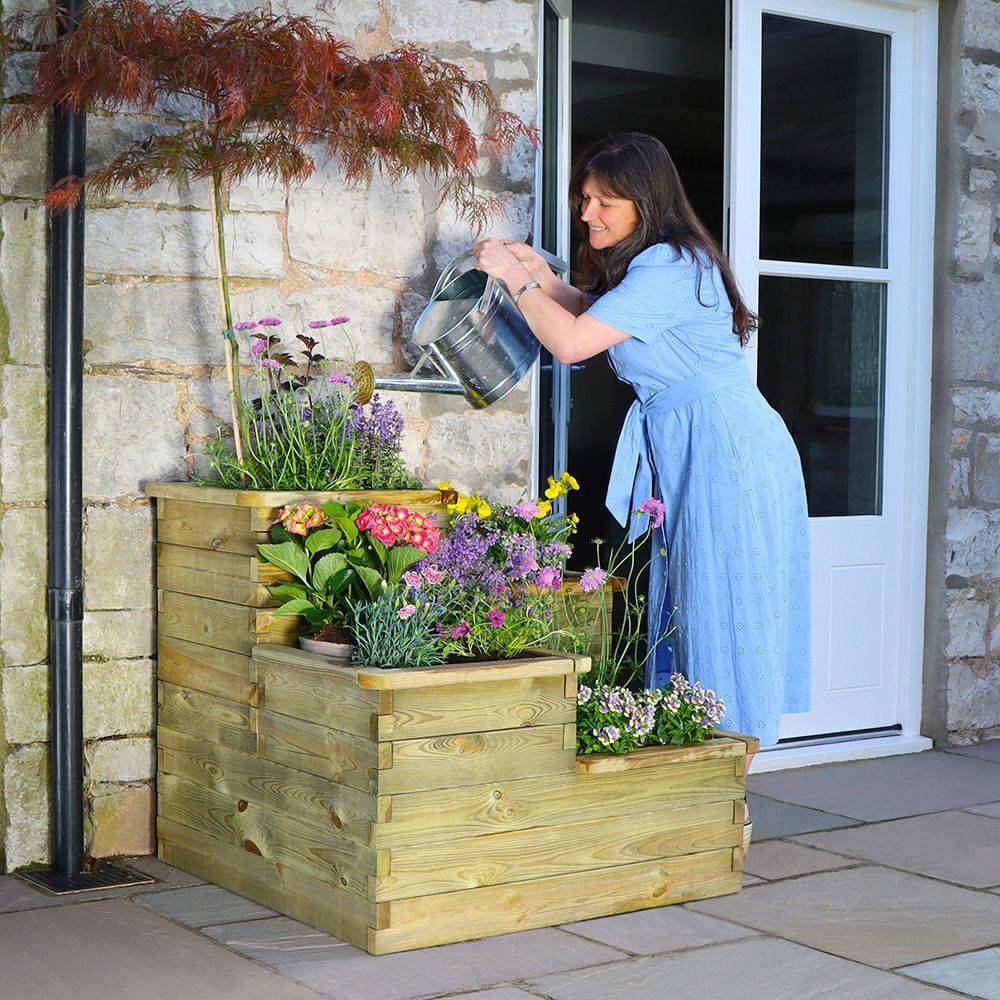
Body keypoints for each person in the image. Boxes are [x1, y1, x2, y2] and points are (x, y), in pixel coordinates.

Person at [473, 132, 811, 753]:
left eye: (605, 202)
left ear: (645, 202)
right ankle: (709, 779)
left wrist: (513, 281)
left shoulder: (670, 265)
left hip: (725, 451)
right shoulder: (662, 265)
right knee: (698, 604)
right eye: (583, 199)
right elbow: (590, 312)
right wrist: (535, 275)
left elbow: (573, 342)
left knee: (720, 610)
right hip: (706, 443)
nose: (586, 214)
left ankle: (729, 788)